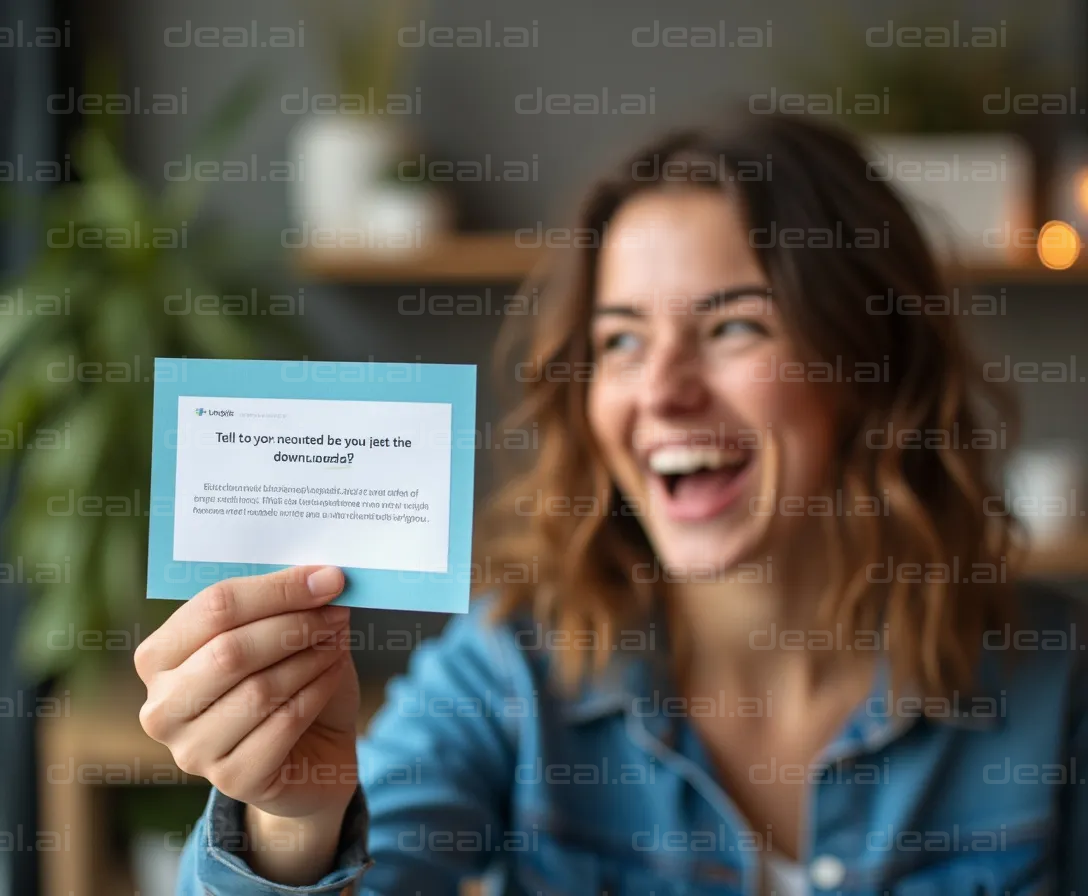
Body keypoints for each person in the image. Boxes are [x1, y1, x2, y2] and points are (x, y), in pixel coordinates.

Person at [139, 113, 1088, 895]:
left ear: (871, 366)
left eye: (733, 326)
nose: (662, 391)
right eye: (622, 341)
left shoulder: (1059, 688)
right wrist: (294, 820)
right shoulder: (513, 671)